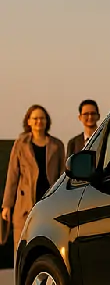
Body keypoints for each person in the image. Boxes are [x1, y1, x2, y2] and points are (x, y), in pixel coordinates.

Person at [1, 105, 66, 250]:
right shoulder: (21, 144)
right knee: (23, 245)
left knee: (47, 244)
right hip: (25, 204)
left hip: (49, 201)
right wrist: (7, 205)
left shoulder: (57, 145)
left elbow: (63, 175)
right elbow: (12, 175)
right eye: (35, 118)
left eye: (42, 118)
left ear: (47, 121)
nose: (39, 121)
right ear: (28, 121)